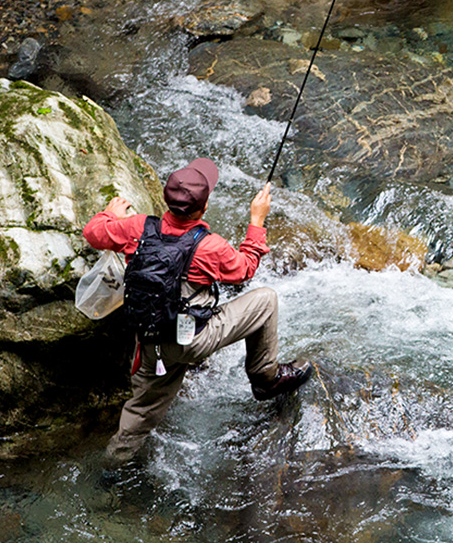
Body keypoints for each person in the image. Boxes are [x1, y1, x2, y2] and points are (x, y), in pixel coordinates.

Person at [83, 157, 312, 464]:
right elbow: (245, 269)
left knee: (139, 414)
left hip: (149, 340)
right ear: (203, 209)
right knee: (266, 300)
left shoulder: (137, 227)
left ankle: (113, 466)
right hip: (192, 340)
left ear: (166, 199)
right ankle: (266, 378)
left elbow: (93, 232)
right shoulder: (210, 246)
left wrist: (110, 215)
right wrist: (256, 221)